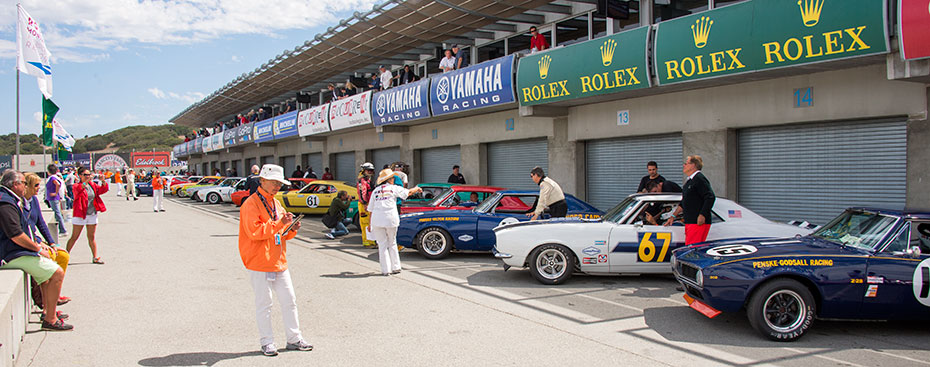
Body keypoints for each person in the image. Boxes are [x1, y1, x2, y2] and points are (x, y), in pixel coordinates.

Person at [238, 164, 312, 356]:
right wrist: (281, 223)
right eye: (274, 183)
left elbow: (281, 233)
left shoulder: (276, 203)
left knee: (290, 301)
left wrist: (291, 228)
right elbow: (255, 232)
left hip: (279, 261)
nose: (277, 187)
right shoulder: (250, 204)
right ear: (261, 181)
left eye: (279, 183)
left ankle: (294, 338)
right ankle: (267, 342)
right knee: (265, 304)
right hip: (259, 262)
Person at [0, 170, 72, 330]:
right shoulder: (5, 203)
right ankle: (50, 320)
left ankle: (48, 311)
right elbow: (16, 235)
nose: (26, 186)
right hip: (9, 254)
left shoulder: (10, 199)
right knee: (57, 273)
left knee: (47, 271)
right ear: (15, 185)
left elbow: (33, 226)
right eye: (24, 183)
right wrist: (38, 248)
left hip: (14, 251)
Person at [22, 173, 72, 308]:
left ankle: (55, 293)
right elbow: (22, 230)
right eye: (36, 185)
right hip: (30, 243)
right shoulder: (19, 204)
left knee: (63, 255)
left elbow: (41, 223)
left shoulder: (33, 201)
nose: (39, 188)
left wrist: (52, 243)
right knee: (48, 260)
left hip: (36, 241)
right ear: (27, 186)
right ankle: (48, 301)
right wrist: (38, 245)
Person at [368, 169, 422, 276]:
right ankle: (396, 267)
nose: (393, 179)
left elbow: (370, 209)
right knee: (392, 242)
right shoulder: (393, 188)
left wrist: (370, 224)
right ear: (390, 180)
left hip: (377, 220)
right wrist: (416, 189)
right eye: (392, 178)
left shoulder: (375, 191)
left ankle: (385, 270)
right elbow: (408, 192)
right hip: (390, 219)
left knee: (382, 245)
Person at [665, 155, 716, 245]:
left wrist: (702, 214)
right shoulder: (689, 181)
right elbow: (684, 202)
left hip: (697, 222)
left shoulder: (699, 179)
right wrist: (673, 216)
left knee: (693, 249)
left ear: (693, 165)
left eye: (686, 163)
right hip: (689, 221)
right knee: (690, 247)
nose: (684, 165)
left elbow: (710, 197)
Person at [66, 167, 108, 264]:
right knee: (74, 236)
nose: (88, 176)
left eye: (89, 174)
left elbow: (102, 190)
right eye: (85, 175)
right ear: (80, 175)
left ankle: (95, 257)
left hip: (91, 213)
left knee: (91, 237)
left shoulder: (92, 185)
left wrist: (103, 181)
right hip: (80, 214)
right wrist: (87, 181)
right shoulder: (76, 185)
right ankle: (66, 255)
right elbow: (78, 190)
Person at [356, 163, 377, 247]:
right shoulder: (362, 181)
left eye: (372, 170)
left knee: (370, 223)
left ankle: (371, 241)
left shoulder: (367, 180)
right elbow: (362, 193)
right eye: (369, 170)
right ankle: (367, 242)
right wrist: (364, 203)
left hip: (368, 204)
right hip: (364, 204)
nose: (370, 172)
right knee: (365, 224)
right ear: (364, 170)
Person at [45, 165, 67, 236]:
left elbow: (57, 184)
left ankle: (63, 230)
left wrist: (55, 193)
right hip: (53, 198)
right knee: (57, 213)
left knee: (57, 213)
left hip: (53, 198)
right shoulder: (54, 177)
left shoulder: (52, 178)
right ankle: (61, 229)